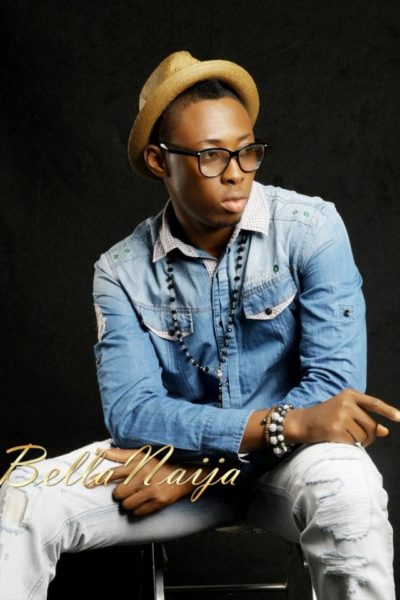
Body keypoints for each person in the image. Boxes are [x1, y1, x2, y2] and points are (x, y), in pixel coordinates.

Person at [0, 50, 397, 600]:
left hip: (290, 464)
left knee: (349, 491)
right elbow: (132, 413)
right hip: (173, 464)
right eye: (211, 155)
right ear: (159, 161)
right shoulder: (120, 271)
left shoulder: (312, 229)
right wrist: (266, 435)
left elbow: (334, 393)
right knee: (21, 495)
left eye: (247, 151)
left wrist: (197, 474)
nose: (236, 172)